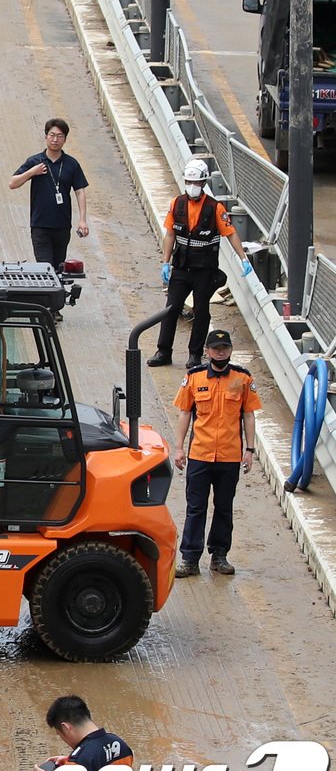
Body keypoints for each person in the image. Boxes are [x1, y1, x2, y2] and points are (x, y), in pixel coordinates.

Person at [148, 159, 255, 369]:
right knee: (171, 309)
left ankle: (195, 355)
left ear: (203, 183)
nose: (192, 186)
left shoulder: (215, 208)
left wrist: (243, 259)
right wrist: (165, 263)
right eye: (189, 181)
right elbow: (170, 234)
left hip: (204, 271)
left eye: (196, 182)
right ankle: (163, 351)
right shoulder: (176, 204)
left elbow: (230, 234)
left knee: (201, 311)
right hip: (181, 268)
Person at [172, 329, 260, 577]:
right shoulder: (194, 377)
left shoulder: (242, 378)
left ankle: (219, 555)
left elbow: (248, 415)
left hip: (230, 456)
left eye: (225, 348)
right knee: (196, 507)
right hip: (200, 454)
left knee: (224, 507)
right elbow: (185, 413)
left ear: (230, 350)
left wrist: (250, 450)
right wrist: (179, 448)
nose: (220, 352)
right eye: (216, 348)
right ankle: (190, 559)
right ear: (207, 351)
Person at [8, 119, 89, 316]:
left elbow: (80, 191)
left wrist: (82, 220)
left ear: (65, 139)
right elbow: (12, 183)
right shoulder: (35, 161)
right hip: (40, 225)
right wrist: (32, 172)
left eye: (59, 136)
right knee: (45, 267)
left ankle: (55, 307)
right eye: (52, 135)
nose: (55, 139)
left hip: (62, 226)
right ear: (46, 137)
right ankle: (46, 307)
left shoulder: (71, 164)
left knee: (58, 267)